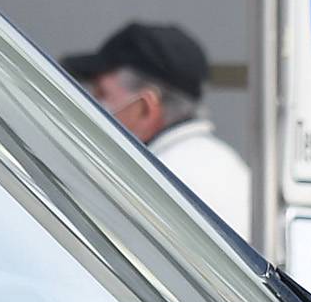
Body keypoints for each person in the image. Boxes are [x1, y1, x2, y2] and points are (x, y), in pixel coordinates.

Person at [63, 21, 252, 239]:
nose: (92, 104)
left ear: (145, 108)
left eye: (102, 93)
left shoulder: (157, 183)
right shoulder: (223, 163)